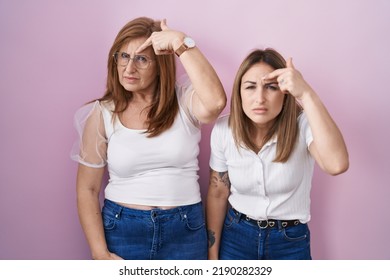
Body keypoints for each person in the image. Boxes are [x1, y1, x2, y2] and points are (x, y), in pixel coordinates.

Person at [71, 16, 226, 260]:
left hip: (185, 230)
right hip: (123, 230)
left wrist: (180, 43)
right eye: (123, 56)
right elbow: (87, 189)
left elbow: (216, 102)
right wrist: (99, 253)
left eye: (141, 59)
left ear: (160, 64)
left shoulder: (184, 100)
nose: (129, 68)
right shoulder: (102, 113)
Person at [206, 48, 349, 260]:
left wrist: (306, 93)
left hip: (290, 242)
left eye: (271, 87)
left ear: (285, 92)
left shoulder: (303, 125)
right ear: (239, 93)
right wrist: (212, 253)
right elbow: (218, 192)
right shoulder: (223, 130)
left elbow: (336, 165)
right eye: (250, 87)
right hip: (236, 236)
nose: (260, 98)